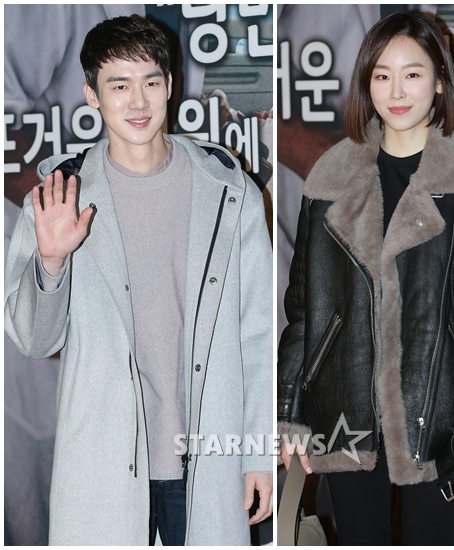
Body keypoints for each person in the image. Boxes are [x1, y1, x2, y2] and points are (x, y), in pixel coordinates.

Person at [4, 14, 273, 546]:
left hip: (206, 459)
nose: (138, 101)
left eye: (150, 81)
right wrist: (51, 262)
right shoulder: (61, 194)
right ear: (92, 95)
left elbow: (257, 331)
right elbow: (34, 340)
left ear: (170, 85)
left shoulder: (227, 188)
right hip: (103, 462)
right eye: (119, 85)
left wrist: (257, 452)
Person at [277, 11, 454, 546]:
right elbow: (303, 310)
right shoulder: (331, 176)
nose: (396, 91)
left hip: (440, 413)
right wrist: (290, 414)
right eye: (382, 75)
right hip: (347, 412)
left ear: (441, 81)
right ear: (366, 83)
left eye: (413, 74)